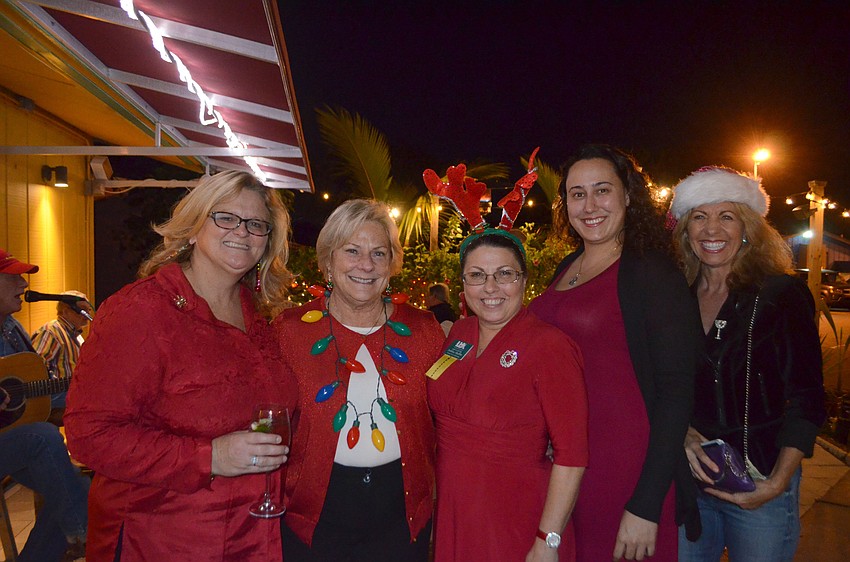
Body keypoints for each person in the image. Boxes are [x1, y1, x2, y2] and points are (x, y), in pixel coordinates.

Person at [64, 171, 297, 562]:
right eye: (225, 217)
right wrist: (211, 457)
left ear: (266, 243)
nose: (242, 231)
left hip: (252, 535)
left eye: (257, 224)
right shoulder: (141, 311)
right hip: (160, 539)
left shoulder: (259, 318)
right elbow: (89, 434)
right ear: (192, 229)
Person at [529, 144, 700, 561]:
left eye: (602, 190)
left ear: (627, 196)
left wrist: (645, 504)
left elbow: (677, 393)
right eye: (577, 193)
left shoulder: (651, 273)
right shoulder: (567, 266)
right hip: (568, 470)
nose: (590, 205)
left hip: (625, 471)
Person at [669, 166, 826, 562]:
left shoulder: (779, 294)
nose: (711, 230)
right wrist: (683, 431)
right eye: (699, 217)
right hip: (692, 484)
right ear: (685, 230)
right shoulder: (676, 297)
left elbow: (807, 397)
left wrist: (777, 484)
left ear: (748, 228)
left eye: (727, 216)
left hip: (761, 484)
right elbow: (664, 382)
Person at [274, 199, 444, 562]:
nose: (366, 264)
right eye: (352, 250)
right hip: (314, 514)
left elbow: (452, 411)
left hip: (402, 511)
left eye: (379, 253)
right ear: (328, 261)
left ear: (392, 264)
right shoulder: (289, 332)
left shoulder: (424, 330)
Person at [428, 229, 588, 562]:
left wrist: (548, 539)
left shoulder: (550, 346)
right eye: (477, 275)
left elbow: (572, 454)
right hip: (456, 511)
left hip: (516, 515)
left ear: (524, 279)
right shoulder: (459, 333)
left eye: (504, 274)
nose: (490, 288)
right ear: (463, 284)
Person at [0, 248, 89, 562]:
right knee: (43, 437)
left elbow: (37, 393)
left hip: (10, 440)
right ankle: (83, 534)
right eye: (12, 277)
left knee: (78, 489)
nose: (22, 285)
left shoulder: (11, 329)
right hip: (22, 441)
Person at [32, 290, 94, 425]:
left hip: (72, 392)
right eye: (82, 310)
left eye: (88, 310)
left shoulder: (76, 335)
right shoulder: (51, 332)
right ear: (65, 311)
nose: (87, 314)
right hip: (55, 396)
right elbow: (36, 370)